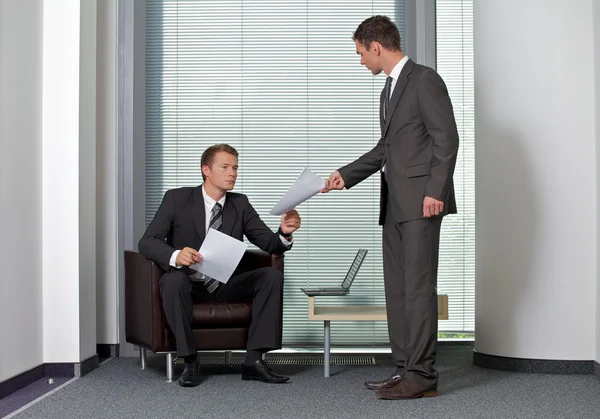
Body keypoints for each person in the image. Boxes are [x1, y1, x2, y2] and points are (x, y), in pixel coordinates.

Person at [322, 16, 459, 400]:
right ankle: (403, 370)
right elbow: (387, 149)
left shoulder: (424, 80)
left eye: (360, 53)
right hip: (395, 204)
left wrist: (436, 191)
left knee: (417, 290)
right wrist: (344, 176)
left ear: (376, 47)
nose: (360, 60)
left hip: (422, 204)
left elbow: (446, 139)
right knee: (397, 291)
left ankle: (422, 377)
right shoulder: (389, 89)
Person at [139, 143, 301, 387]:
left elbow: (269, 243)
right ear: (206, 169)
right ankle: (190, 361)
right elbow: (147, 242)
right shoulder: (177, 199)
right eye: (225, 167)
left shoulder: (240, 203)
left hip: (224, 283)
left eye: (235, 167)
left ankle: (253, 361)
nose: (232, 173)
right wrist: (176, 255)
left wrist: (284, 233)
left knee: (270, 276)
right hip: (187, 284)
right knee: (173, 280)